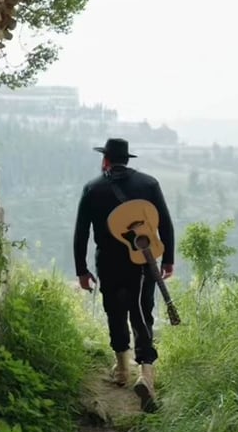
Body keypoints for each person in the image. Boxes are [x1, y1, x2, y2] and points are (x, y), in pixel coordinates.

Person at [73, 137, 175, 410]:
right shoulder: (149, 184)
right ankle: (146, 373)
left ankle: (121, 369)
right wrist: (169, 260)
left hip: (108, 262)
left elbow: (81, 232)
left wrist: (81, 270)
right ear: (128, 159)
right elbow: (165, 224)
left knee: (115, 311)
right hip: (143, 262)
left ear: (105, 160)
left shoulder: (92, 188)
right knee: (142, 311)